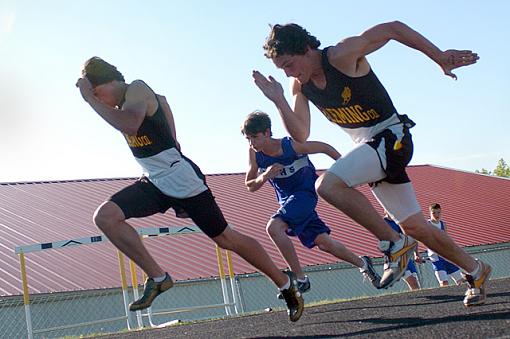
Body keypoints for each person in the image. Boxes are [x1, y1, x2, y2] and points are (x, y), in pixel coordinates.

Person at [252, 22, 491, 307]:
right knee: (415, 226)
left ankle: (393, 243)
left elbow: (393, 29)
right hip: (369, 149)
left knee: (326, 185)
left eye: (289, 64)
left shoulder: (341, 55)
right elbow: (300, 133)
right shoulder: (299, 86)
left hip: (391, 136)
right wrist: (280, 100)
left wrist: (438, 56)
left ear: (305, 49)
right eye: (282, 69)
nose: (288, 72)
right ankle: (476, 270)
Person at [76, 57, 303, 322]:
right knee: (105, 217)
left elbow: (130, 124)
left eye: (97, 94)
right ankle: (158, 277)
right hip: (154, 180)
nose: (99, 101)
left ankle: (285, 285)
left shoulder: (135, 88)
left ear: (107, 82)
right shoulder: (137, 99)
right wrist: (172, 139)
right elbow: (163, 101)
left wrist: (89, 100)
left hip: (182, 180)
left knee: (226, 239)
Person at [241, 111, 381, 294]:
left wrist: (347, 170)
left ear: (267, 132)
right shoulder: (254, 154)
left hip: (305, 195)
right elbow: (250, 186)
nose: (252, 143)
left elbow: (325, 148)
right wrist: (264, 176)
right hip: (288, 203)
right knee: (324, 243)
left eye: (255, 137)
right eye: (248, 139)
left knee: (273, 228)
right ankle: (363, 264)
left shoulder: (291, 145)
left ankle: (300, 278)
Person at [426, 203, 464, 287]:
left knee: (460, 280)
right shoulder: (427, 224)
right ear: (430, 213)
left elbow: (446, 239)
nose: (436, 215)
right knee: (444, 283)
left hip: (446, 256)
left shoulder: (443, 224)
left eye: (438, 212)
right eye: (434, 213)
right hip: (436, 257)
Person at [383, 212, 421, 291]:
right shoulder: (383, 223)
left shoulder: (399, 221)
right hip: (395, 258)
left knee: (416, 284)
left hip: (405, 256)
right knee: (412, 282)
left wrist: (416, 254)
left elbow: (411, 237)